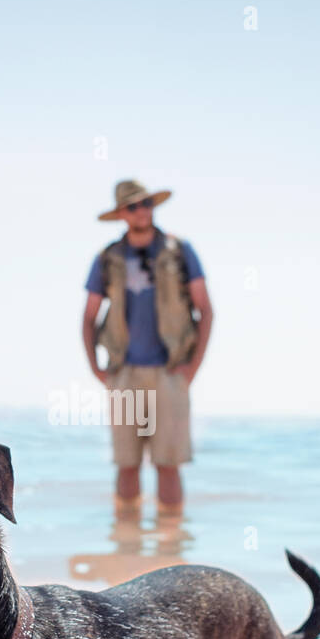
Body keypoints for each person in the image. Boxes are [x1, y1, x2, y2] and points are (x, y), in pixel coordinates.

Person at [82, 179, 213, 513]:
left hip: (170, 371)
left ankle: (171, 544)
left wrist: (192, 367)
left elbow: (206, 309)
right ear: (122, 214)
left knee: (168, 464)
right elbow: (89, 316)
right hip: (123, 372)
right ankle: (127, 544)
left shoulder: (179, 251)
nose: (142, 211)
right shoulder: (108, 258)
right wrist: (96, 369)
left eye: (146, 204)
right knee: (127, 464)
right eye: (133, 206)